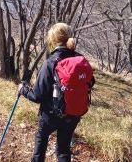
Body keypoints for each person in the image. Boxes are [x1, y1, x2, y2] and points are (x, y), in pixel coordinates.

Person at [18, 23, 95, 162]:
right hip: (73, 113)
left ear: (53, 40)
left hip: (51, 115)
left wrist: (22, 90)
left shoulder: (50, 62)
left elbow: (37, 96)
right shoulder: (80, 60)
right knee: (63, 149)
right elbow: (91, 82)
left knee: (41, 139)